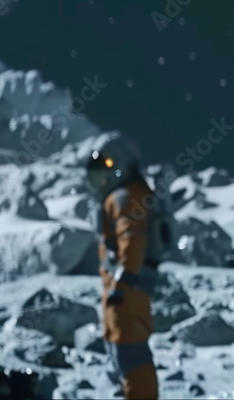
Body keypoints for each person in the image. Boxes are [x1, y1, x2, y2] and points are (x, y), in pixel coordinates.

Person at [85, 131, 170, 400]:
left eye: (106, 168)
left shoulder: (126, 196)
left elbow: (131, 241)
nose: (100, 179)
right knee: (122, 351)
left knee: (131, 352)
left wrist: (122, 283)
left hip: (127, 291)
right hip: (123, 289)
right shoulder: (125, 195)